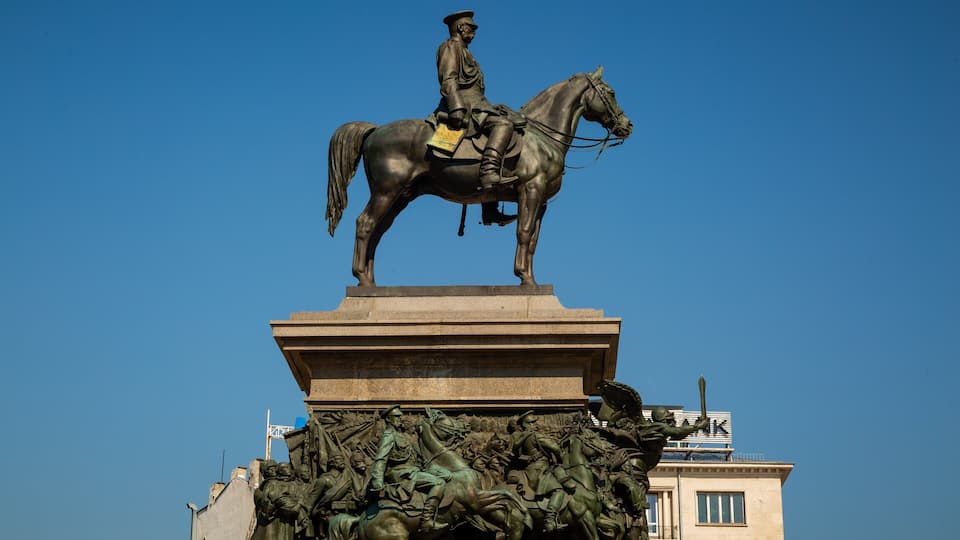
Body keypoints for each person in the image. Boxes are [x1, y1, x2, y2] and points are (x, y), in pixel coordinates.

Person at [436, 10, 518, 226]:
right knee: (503, 124)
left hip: (478, 103)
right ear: (461, 28)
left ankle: (489, 208)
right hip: (465, 105)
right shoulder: (451, 47)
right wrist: (456, 107)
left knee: (512, 121)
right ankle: (489, 173)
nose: (474, 31)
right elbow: (449, 80)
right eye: (471, 27)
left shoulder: (466, 52)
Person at [370, 406, 448, 531]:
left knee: (448, 475)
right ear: (389, 420)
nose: (400, 418)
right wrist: (377, 481)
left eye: (400, 416)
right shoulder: (389, 436)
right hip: (402, 473)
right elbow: (381, 459)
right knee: (439, 482)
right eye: (397, 416)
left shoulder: (402, 435)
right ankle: (426, 520)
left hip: (414, 470)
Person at [508, 411, 573, 532]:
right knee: (558, 490)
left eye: (534, 421)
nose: (535, 424)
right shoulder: (535, 435)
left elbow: (517, 455)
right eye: (532, 422)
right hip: (540, 470)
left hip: (529, 469)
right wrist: (561, 459)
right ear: (526, 424)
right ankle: (549, 520)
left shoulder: (520, 438)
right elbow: (555, 448)